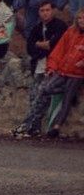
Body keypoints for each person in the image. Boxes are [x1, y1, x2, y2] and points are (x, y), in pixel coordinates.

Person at [13, 9, 84, 138]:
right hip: (63, 70)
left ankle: (56, 127)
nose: (81, 21)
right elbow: (58, 50)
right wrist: (51, 67)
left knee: (67, 99)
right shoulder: (70, 32)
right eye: (79, 18)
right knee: (46, 89)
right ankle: (30, 123)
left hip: (77, 74)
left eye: (83, 18)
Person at [21, 1, 68, 113]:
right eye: (42, 11)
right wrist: (42, 45)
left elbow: (53, 46)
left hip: (54, 67)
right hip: (38, 65)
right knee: (33, 95)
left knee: (42, 94)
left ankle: (33, 123)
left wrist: (38, 44)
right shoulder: (36, 28)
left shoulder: (60, 26)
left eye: (47, 10)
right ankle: (33, 125)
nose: (45, 13)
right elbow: (29, 47)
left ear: (52, 11)